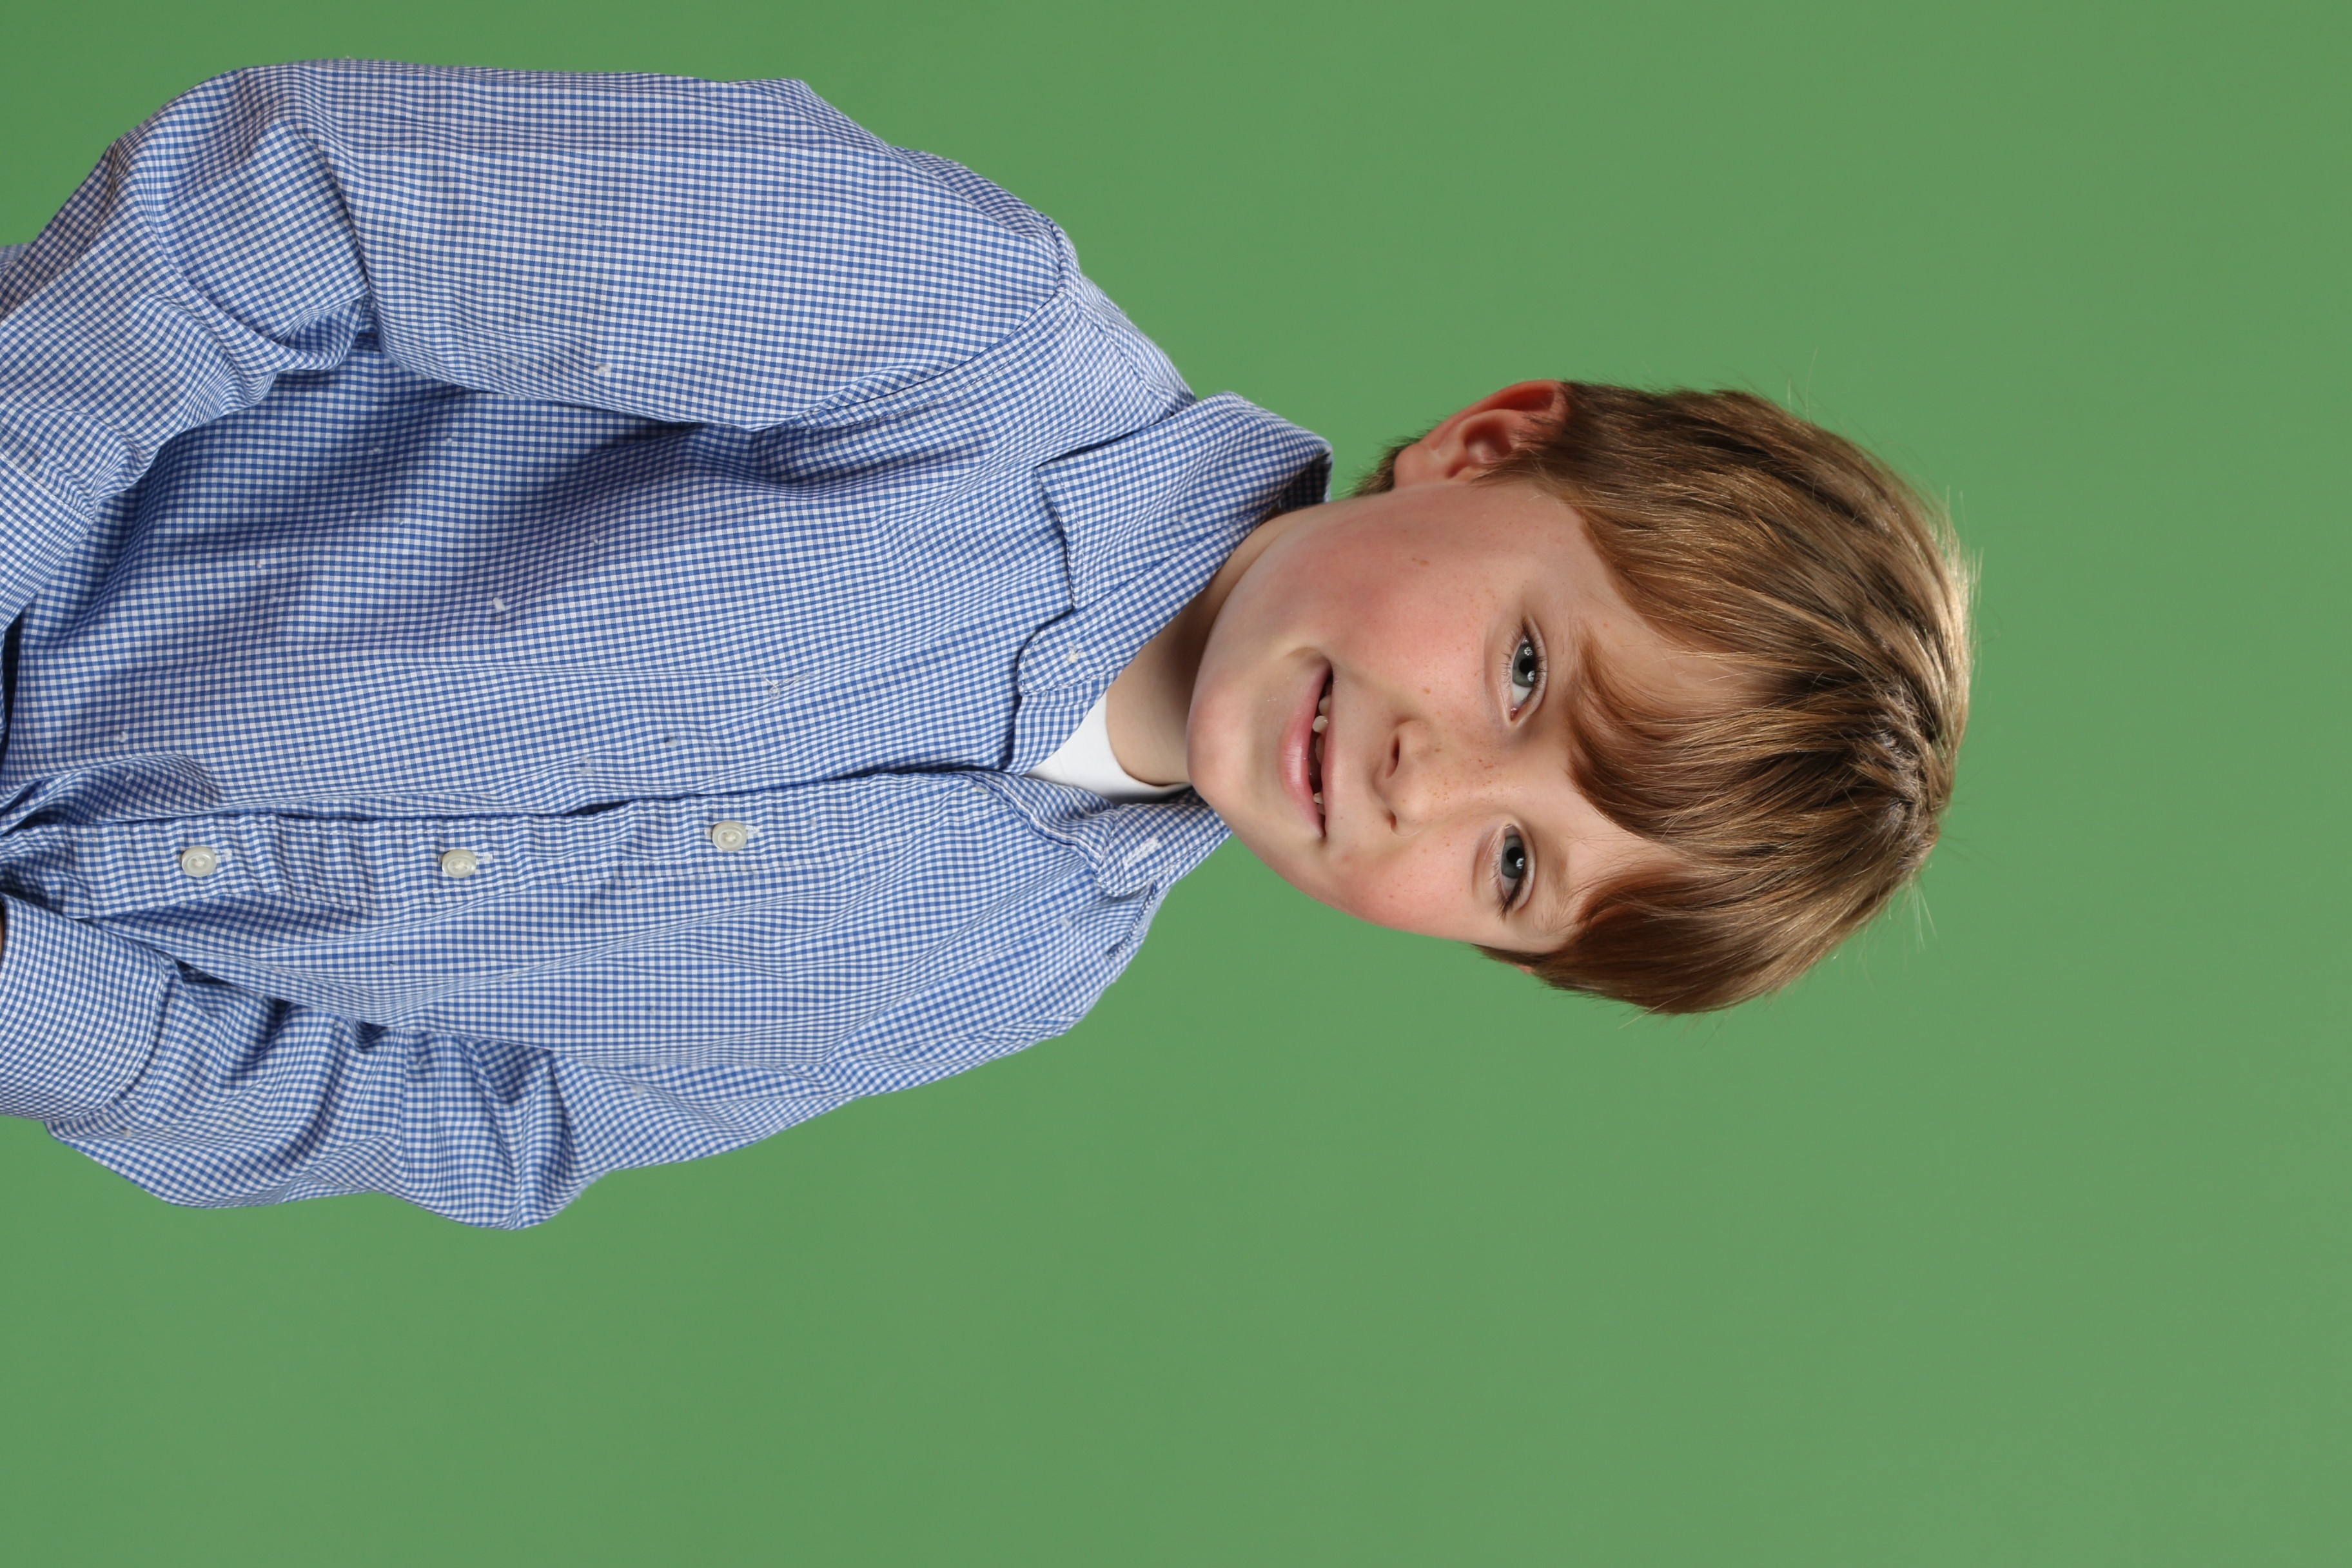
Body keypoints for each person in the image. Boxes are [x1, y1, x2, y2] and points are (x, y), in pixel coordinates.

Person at [0, 60, 1970, 1226]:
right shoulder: (965, 338)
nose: (1427, 778)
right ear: (1487, 443)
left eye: (1517, 865)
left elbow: (477, 1121)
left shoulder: (995, 978)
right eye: (1526, 672)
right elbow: (299, 201)